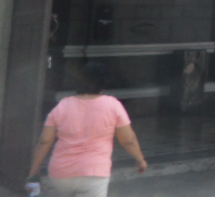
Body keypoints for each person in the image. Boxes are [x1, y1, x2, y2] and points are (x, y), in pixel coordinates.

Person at [26, 62, 147, 197]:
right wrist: (140, 159)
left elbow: (44, 141)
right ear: (104, 83)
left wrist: (34, 172)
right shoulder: (113, 105)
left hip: (60, 175)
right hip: (94, 175)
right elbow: (128, 140)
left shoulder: (63, 105)